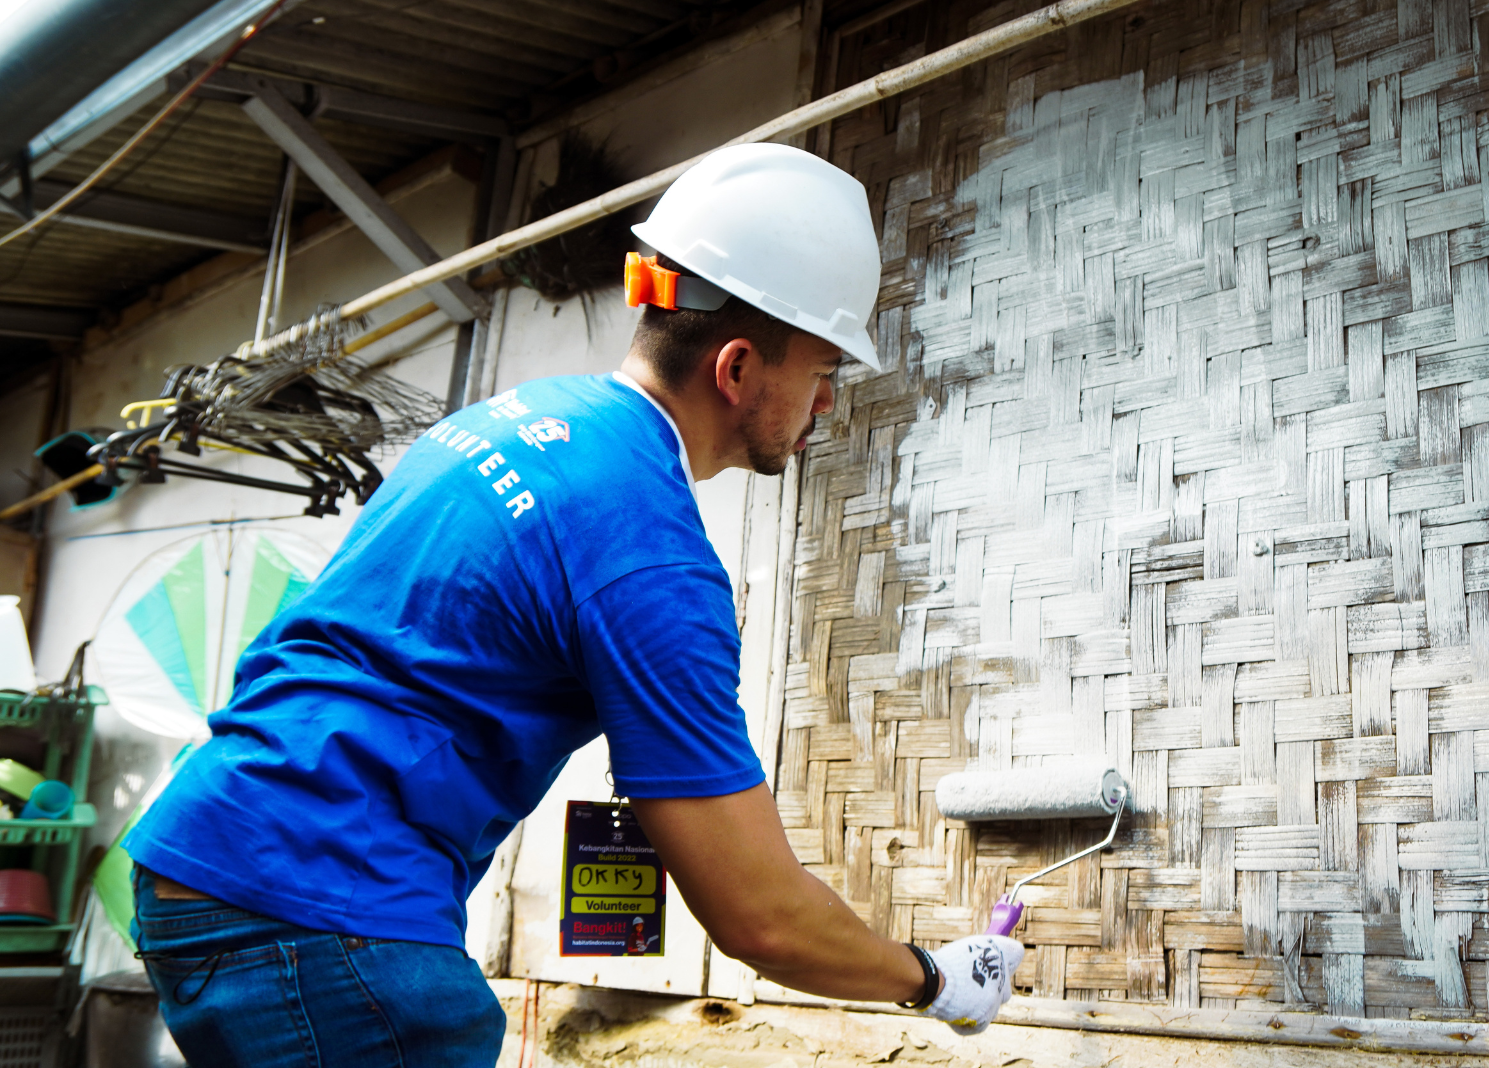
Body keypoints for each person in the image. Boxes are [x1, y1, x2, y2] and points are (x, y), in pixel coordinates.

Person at [123, 144, 1023, 1067]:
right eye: (824, 368)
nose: (828, 403)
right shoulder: (649, 560)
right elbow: (759, 916)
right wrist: (937, 978)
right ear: (739, 365)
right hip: (321, 901)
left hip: (214, 853)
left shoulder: (507, 420)